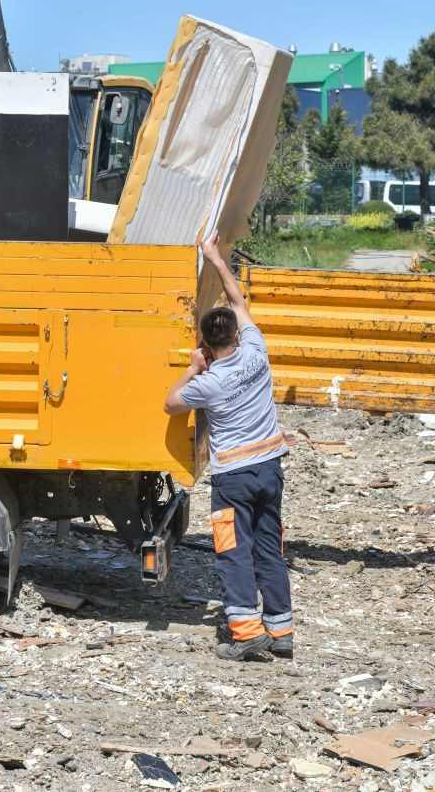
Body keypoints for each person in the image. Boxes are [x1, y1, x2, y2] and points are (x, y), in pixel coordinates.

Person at [164, 231, 292, 661]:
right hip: (270, 470)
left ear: (207, 344)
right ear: (237, 335)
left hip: (233, 479)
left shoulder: (209, 382)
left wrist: (191, 369)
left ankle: (248, 635)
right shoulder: (257, 351)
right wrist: (215, 257)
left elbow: (169, 404)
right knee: (269, 548)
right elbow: (238, 299)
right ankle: (282, 631)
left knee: (233, 553)